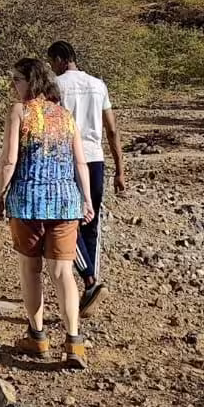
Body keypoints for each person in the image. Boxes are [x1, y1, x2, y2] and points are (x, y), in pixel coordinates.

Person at [0, 56, 96, 369]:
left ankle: (37, 336)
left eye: (17, 79)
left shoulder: (20, 111)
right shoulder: (65, 115)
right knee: (63, 273)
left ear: (31, 81)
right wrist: (87, 200)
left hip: (27, 203)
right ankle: (74, 343)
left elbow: (9, 159)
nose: (13, 85)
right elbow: (81, 162)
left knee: (31, 269)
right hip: (66, 204)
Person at [48, 40, 125, 312]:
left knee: (68, 221)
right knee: (91, 223)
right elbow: (112, 130)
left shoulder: (57, 86)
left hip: (67, 158)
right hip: (95, 159)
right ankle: (88, 285)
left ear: (59, 59)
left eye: (52, 63)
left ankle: (89, 280)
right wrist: (120, 169)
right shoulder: (98, 85)